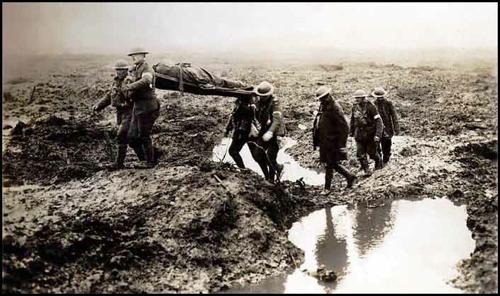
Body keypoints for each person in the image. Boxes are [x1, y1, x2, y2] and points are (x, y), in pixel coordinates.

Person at [92, 59, 140, 170]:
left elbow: (134, 95)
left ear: (126, 70)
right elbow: (110, 96)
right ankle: (145, 158)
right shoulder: (116, 82)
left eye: (122, 70)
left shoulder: (130, 81)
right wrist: (99, 105)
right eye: (118, 70)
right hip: (120, 113)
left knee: (122, 135)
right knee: (130, 138)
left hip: (130, 111)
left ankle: (119, 163)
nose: (119, 72)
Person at [121, 47, 161, 168]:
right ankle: (149, 157)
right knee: (131, 137)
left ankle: (150, 162)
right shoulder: (135, 69)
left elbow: (146, 80)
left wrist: (130, 87)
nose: (134, 57)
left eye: (137, 55)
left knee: (144, 135)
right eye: (132, 56)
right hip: (138, 107)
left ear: (143, 56)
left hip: (148, 107)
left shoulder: (146, 68)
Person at [313, 86, 357, 191]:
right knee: (331, 163)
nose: (320, 100)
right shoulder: (323, 105)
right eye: (320, 99)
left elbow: (344, 127)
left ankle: (327, 188)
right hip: (325, 140)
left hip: (333, 141)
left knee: (330, 164)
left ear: (328, 96)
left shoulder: (335, 108)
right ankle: (349, 176)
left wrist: (342, 145)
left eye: (322, 98)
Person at [248, 81, 285, 183]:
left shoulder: (275, 102)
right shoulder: (258, 102)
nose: (262, 98)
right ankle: (267, 175)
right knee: (257, 155)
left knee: (270, 157)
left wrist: (270, 132)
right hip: (263, 131)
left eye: (264, 96)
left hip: (275, 132)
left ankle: (273, 177)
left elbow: (277, 119)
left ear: (269, 94)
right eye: (260, 96)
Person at [349, 89, 384, 176]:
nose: (356, 100)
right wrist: (351, 132)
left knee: (371, 153)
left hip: (369, 134)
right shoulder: (354, 107)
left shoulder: (371, 107)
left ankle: (379, 162)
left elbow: (379, 121)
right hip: (359, 135)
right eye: (356, 98)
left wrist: (377, 134)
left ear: (363, 98)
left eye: (358, 98)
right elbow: (352, 120)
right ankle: (366, 170)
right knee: (360, 154)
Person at [224, 94, 258, 168]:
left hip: (242, 131)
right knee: (256, 155)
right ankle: (243, 169)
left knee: (233, 151)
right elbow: (233, 116)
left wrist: (235, 132)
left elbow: (241, 121)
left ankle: (243, 169)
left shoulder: (244, 107)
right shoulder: (245, 105)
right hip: (243, 131)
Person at [371, 87, 400, 164]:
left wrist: (396, 128)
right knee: (376, 146)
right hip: (376, 128)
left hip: (387, 128)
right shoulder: (373, 104)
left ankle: (386, 160)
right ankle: (379, 162)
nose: (380, 99)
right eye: (378, 97)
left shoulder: (388, 103)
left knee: (386, 145)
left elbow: (394, 116)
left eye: (381, 97)